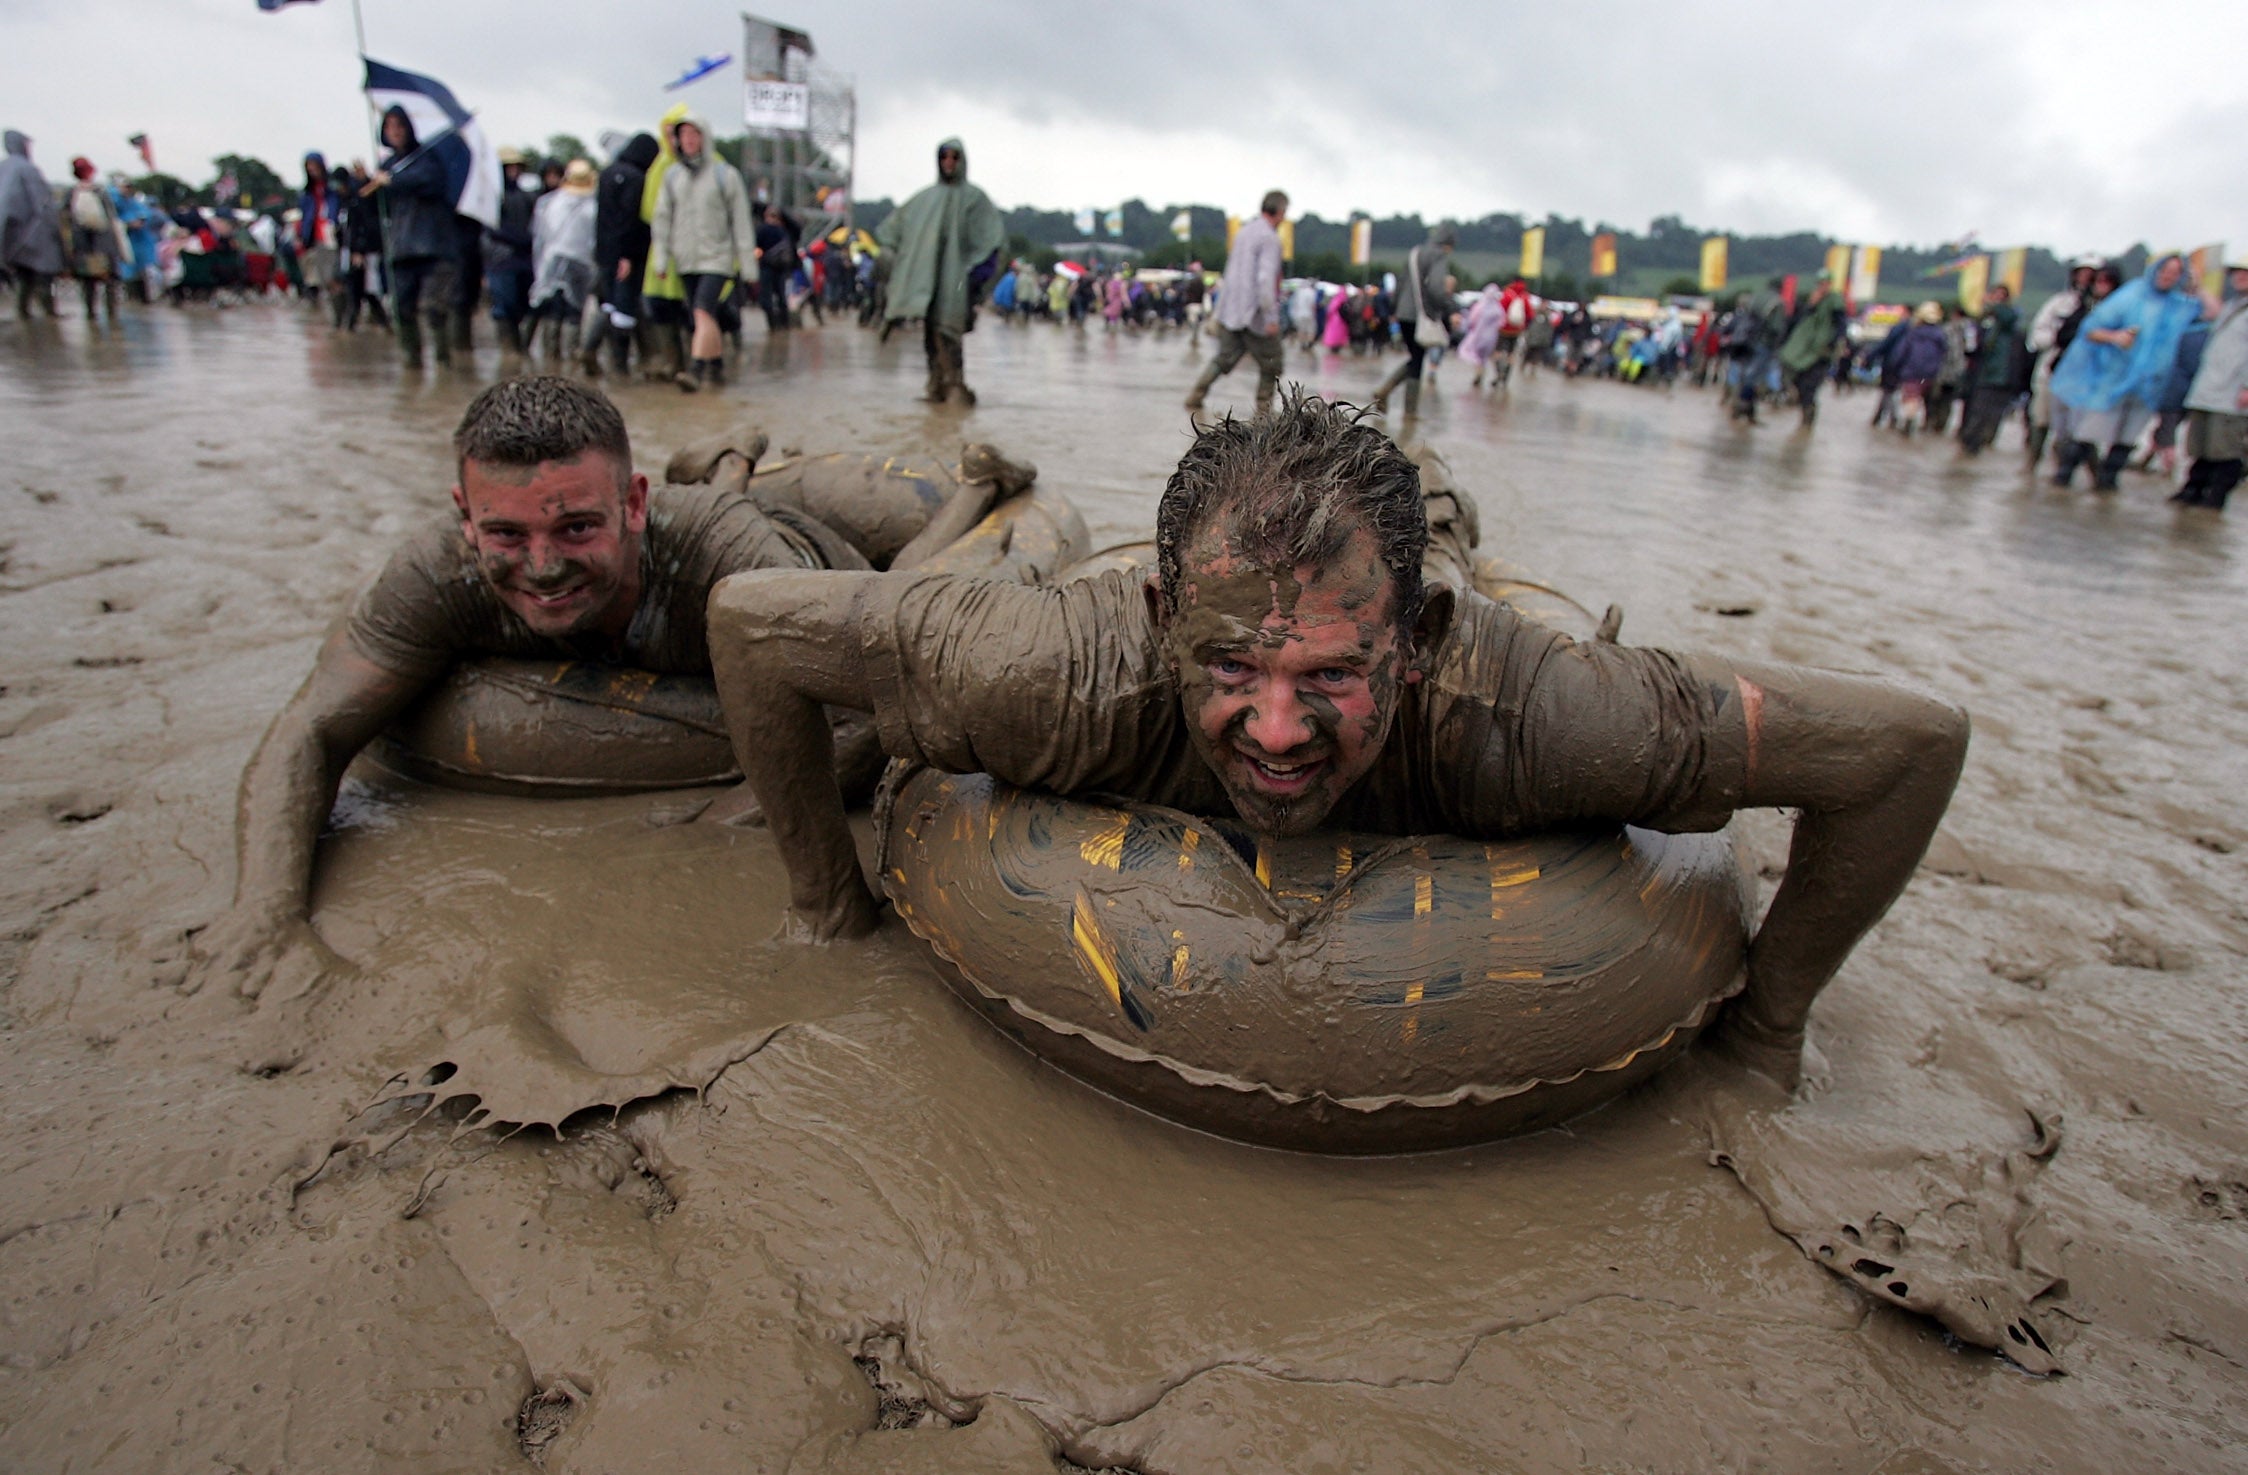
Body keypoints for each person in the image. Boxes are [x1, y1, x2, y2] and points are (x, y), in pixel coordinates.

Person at [704, 394, 1968, 1093]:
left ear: (1409, 644)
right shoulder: (1054, 673)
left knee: (1428, 521)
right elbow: (756, 624)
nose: (1274, 729)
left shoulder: (1533, 714)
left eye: (1329, 676)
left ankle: (1434, 495)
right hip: (1133, 596)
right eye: (1231, 668)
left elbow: (1907, 747)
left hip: (1447, 600)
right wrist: (830, 910)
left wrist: (1767, 1027)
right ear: (1161, 621)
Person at [194, 376, 1036, 1000]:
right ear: (464, 516)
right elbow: (311, 726)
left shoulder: (728, 560)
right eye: (506, 533)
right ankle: (733, 456)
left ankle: (974, 491)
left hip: (816, 562)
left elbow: (866, 711)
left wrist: (728, 812)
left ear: (633, 503)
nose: (544, 564)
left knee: (907, 596)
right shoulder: (438, 571)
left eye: (575, 526)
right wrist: (265, 910)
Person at [2049, 254, 2204, 491]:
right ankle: (2063, 477)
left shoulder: (2181, 306)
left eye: (2175, 273)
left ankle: (2107, 484)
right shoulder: (2131, 296)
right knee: (2091, 429)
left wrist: (2197, 286)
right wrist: (2115, 336)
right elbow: (2090, 329)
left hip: (2149, 384)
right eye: (2165, 271)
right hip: (2114, 377)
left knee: (2128, 437)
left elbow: (2213, 313)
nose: (2168, 277)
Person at [875, 138, 1005, 406]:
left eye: (954, 157)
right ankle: (936, 385)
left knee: (949, 331)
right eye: (944, 157)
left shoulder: (974, 199)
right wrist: (888, 255)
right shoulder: (923, 199)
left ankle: (955, 384)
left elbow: (993, 241)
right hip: (925, 280)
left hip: (957, 281)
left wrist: (975, 278)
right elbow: (891, 230)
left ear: (962, 161)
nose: (948, 163)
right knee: (931, 333)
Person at [650, 114, 755, 390]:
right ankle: (716, 366)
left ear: (705, 138)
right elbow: (662, 220)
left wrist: (748, 267)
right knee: (703, 314)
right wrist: (661, 259)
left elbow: (741, 222)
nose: (690, 141)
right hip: (686, 258)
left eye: (695, 135)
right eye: (684, 136)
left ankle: (695, 370)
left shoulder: (725, 175)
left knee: (702, 312)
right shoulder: (672, 177)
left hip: (717, 257)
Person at [366, 105, 461, 367]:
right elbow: (372, 207)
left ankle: (443, 361)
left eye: (400, 126)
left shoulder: (427, 159)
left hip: (433, 246)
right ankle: (412, 362)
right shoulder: (385, 166)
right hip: (400, 247)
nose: (395, 131)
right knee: (401, 309)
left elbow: (431, 183)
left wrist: (394, 181)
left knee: (434, 309)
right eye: (389, 127)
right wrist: (365, 183)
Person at [1184, 190, 1287, 416]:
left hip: (1232, 312)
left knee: (1224, 358)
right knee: (1272, 363)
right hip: (1256, 315)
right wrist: (1270, 317)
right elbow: (1265, 279)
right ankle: (1263, 412)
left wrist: (1220, 311)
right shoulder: (1269, 238)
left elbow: (1230, 274)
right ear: (1280, 212)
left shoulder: (1243, 233)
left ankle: (1195, 396)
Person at [580, 132, 658, 377]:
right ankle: (618, 364)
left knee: (610, 303)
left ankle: (590, 349)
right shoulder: (636, 179)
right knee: (623, 307)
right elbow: (629, 219)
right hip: (627, 254)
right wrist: (627, 255)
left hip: (604, 252)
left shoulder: (606, 174)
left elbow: (603, 219)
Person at [2174, 260, 2248, 510]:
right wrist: (2199, 286)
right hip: (2208, 390)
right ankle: (2192, 491)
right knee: (2200, 446)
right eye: (2238, 272)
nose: (2241, 277)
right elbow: (2213, 312)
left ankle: (2215, 500)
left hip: (2233, 394)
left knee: (2226, 450)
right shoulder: (2232, 306)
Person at [1371, 224, 1460, 416]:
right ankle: (1407, 411)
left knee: (1415, 357)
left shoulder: (1415, 253)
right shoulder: (1438, 256)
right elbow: (1437, 288)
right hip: (1420, 316)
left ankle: (1387, 393)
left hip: (1403, 314)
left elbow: (1401, 282)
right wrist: (1449, 308)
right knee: (1417, 359)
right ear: (1448, 245)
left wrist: (1394, 309)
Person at [2024, 256, 2099, 467]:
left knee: (2080, 427)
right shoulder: (2059, 303)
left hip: (2085, 376)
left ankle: (2090, 473)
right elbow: (2037, 335)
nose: (2085, 278)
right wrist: (2058, 338)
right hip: (2052, 369)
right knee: (2041, 418)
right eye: (2081, 272)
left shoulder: (2104, 307)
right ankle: (2032, 463)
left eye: (2091, 274)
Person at [529, 158, 598, 363]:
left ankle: (550, 358)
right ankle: (571, 358)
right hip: (581, 263)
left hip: (551, 260)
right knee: (574, 310)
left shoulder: (550, 202)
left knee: (552, 307)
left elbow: (539, 237)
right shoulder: (592, 206)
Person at [1957, 284, 2028, 454]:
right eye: (1995, 295)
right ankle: (1969, 442)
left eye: (2001, 296)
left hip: (1999, 375)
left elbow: (2008, 317)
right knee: (1975, 410)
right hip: (1980, 372)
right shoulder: (1985, 321)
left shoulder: (2008, 319)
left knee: (1989, 412)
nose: (1996, 299)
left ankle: (1979, 442)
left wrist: (1993, 305)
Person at [1, 130, 64, 318]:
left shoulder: (3, 167)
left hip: (11, 236)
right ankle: (49, 312)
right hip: (35, 234)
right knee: (43, 276)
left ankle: (23, 312)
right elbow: (43, 204)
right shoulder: (28, 169)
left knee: (23, 277)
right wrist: (55, 230)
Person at [484, 148, 536, 355]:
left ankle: (518, 349)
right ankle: (509, 351)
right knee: (504, 304)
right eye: (509, 167)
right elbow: (491, 228)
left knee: (522, 304)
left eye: (517, 167)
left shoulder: (527, 197)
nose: (514, 171)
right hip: (501, 259)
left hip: (524, 258)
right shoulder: (493, 197)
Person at [64, 157, 129, 322]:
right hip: (104, 242)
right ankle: (112, 313)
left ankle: (90, 312)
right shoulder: (101, 191)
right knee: (110, 279)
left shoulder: (71, 192)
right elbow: (111, 216)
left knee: (88, 281)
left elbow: (66, 217)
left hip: (82, 244)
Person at [1777, 272, 1846, 426]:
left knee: (1810, 387)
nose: (1822, 286)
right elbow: (1798, 321)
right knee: (1791, 373)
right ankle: (1800, 410)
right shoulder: (1812, 302)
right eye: (1820, 283)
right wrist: (1811, 305)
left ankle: (1807, 421)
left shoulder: (1835, 301)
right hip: (1803, 348)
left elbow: (1841, 325)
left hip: (1820, 352)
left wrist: (1834, 343)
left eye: (1825, 283)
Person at [294, 153, 340, 308]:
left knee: (331, 275)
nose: (312, 169)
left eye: (314, 165)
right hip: (314, 237)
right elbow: (305, 216)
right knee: (318, 276)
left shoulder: (332, 187)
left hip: (331, 234)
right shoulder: (307, 192)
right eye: (309, 166)